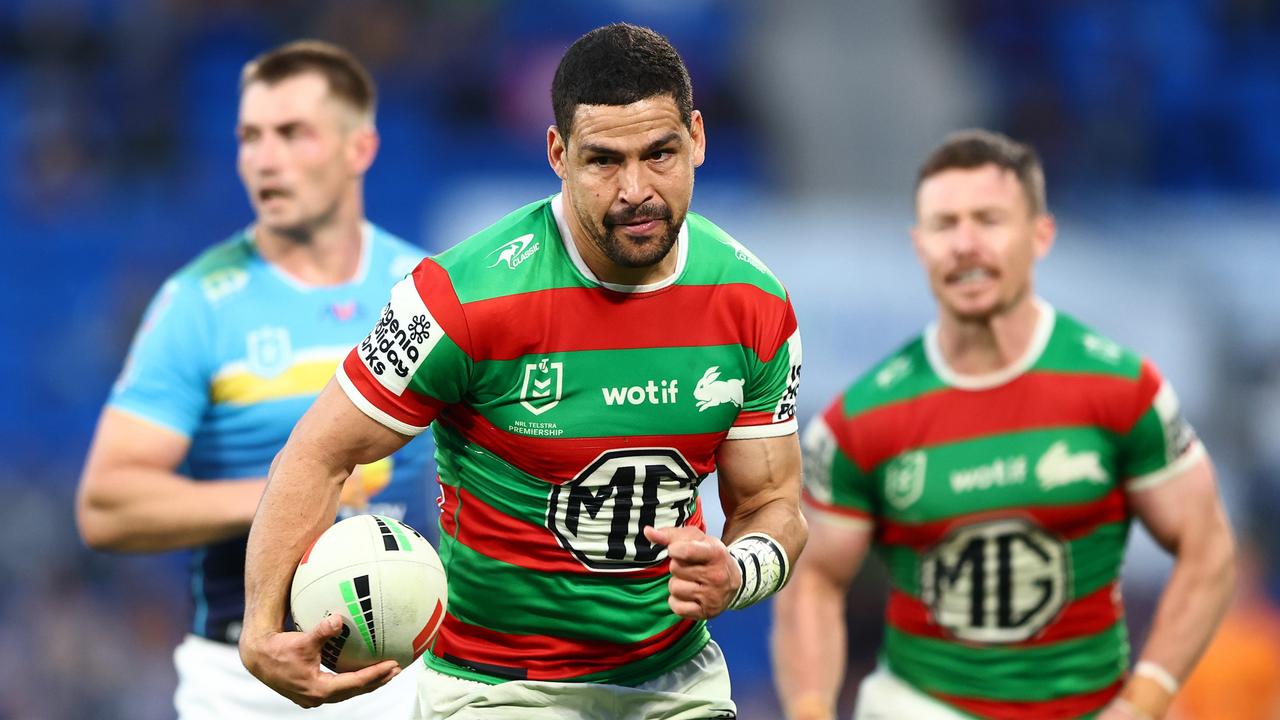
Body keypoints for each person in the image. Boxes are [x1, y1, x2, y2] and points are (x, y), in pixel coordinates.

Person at [238, 22, 806, 720]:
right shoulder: (459, 298)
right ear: (557, 154)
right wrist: (261, 627)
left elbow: (771, 506)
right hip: (496, 686)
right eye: (603, 161)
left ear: (697, 137)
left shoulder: (755, 304)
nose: (635, 189)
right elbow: (320, 451)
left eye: (659, 153)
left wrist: (738, 574)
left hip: (674, 682)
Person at [771, 129, 1235, 720]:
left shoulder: (1120, 389)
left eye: (988, 220)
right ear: (920, 245)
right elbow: (813, 581)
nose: (965, 244)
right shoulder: (861, 419)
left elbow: (1209, 547)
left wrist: (1144, 701)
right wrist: (811, 710)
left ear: (1041, 235)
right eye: (945, 225)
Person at [75, 40, 436, 719]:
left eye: (292, 133)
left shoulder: (422, 293)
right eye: (250, 136)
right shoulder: (201, 302)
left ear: (359, 148)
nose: (265, 157)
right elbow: (106, 505)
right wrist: (292, 492)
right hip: (243, 681)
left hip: (411, 673)